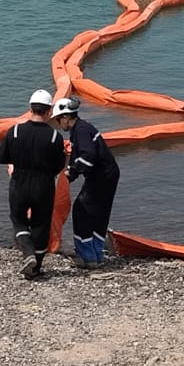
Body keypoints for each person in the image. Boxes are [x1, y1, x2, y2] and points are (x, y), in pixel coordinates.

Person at [0, 89, 66, 280]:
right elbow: (59, 164)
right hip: (44, 185)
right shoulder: (54, 137)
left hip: (19, 182)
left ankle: (28, 254)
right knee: (41, 224)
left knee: (18, 219)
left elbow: (2, 157)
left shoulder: (16, 131)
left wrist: (16, 162)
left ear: (30, 108)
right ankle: (36, 266)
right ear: (49, 111)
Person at [52, 97, 120, 268]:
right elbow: (83, 156)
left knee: (82, 211)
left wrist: (72, 173)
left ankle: (88, 257)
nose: (60, 124)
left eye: (59, 120)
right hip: (108, 174)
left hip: (101, 176)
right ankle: (96, 253)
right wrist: (70, 174)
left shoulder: (80, 131)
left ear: (67, 117)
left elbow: (87, 156)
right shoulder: (82, 129)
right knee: (99, 214)